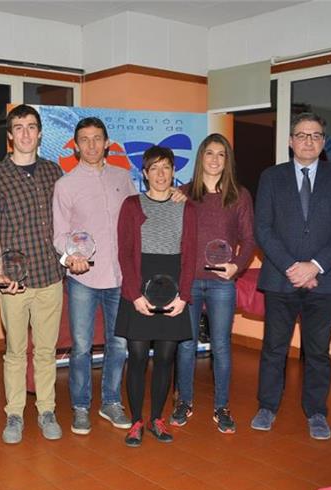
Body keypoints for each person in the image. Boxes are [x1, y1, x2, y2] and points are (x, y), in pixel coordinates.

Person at [252, 112, 331, 440]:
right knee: (274, 348)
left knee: (318, 352)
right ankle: (267, 407)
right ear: (290, 141)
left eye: (315, 135)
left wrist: (315, 266)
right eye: (301, 135)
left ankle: (316, 412)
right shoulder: (271, 177)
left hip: (324, 280)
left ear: (324, 142)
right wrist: (293, 267)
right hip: (280, 278)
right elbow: (262, 228)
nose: (308, 141)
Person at [0, 104, 65, 444]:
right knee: (15, 351)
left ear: (40, 133)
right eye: (19, 127)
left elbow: (66, 222)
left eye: (31, 126)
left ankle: (46, 410)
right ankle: (14, 414)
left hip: (50, 276)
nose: (26, 133)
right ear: (10, 135)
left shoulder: (54, 172)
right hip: (14, 280)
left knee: (46, 351)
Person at [52, 117, 135, 435]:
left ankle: (111, 402)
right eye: (84, 139)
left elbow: (137, 218)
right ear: (75, 146)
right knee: (82, 347)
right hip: (83, 278)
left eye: (97, 138)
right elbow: (60, 234)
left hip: (119, 276)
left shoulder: (123, 177)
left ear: (107, 143)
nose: (91, 145)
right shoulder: (66, 185)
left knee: (119, 344)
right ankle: (81, 406)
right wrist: (71, 257)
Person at [171, 134, 255, 434]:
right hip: (189, 281)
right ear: (201, 158)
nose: (215, 159)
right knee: (186, 345)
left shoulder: (239, 195)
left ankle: (222, 406)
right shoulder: (183, 194)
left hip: (221, 283)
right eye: (209, 153)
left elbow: (249, 239)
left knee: (221, 345)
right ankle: (184, 402)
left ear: (227, 160)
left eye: (221, 154)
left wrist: (236, 266)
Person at [116, 145, 196, 447]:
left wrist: (183, 297)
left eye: (166, 167)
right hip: (139, 287)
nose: (161, 174)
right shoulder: (131, 205)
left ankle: (157, 419)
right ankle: (136, 420)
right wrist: (134, 295)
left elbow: (190, 256)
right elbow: (124, 253)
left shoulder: (187, 208)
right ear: (144, 173)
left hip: (172, 290)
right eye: (154, 168)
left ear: (174, 171)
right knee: (137, 357)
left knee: (165, 358)